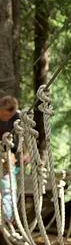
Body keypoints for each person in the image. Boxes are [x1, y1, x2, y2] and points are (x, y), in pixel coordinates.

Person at [0, 96, 20, 225]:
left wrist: (24, 154)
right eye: (4, 115)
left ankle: (8, 217)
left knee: (9, 191)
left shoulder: (17, 118)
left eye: (9, 116)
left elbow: (21, 137)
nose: (6, 118)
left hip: (9, 157)